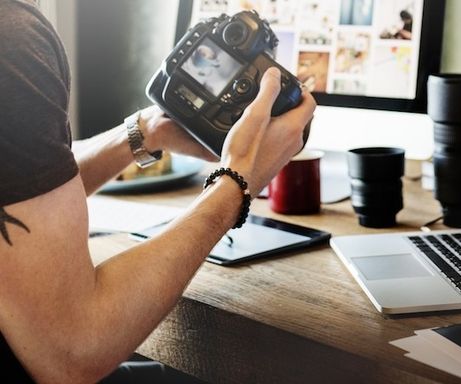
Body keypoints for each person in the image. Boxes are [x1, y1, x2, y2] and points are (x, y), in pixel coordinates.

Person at [0, 1, 316, 383]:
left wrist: (149, 130)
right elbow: (75, 350)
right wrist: (238, 179)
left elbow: (24, 190)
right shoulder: (11, 40)